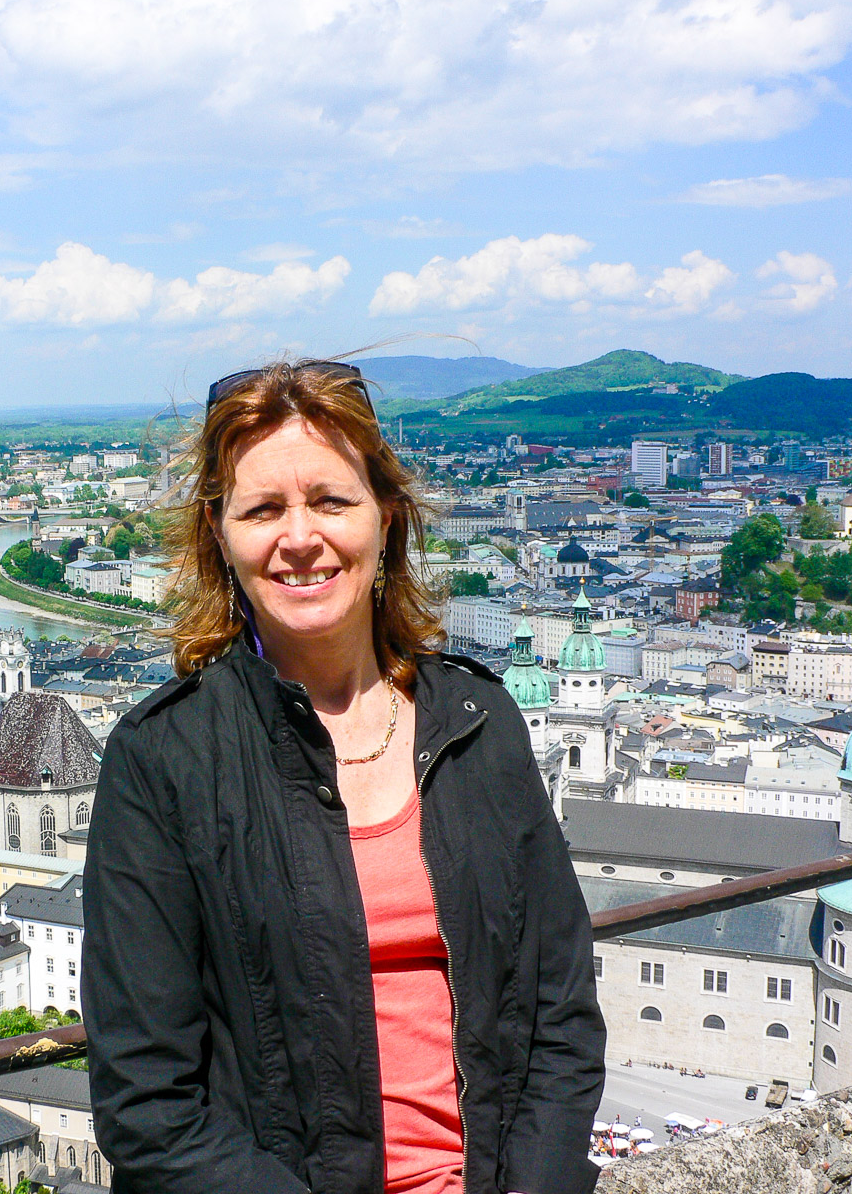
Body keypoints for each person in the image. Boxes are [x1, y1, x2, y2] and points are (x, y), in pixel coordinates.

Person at [82, 359, 606, 1194]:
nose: (299, 537)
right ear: (220, 534)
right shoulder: (163, 760)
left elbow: (560, 1019)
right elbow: (149, 1107)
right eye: (262, 509)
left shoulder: (481, 723)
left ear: (385, 517)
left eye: (330, 501)